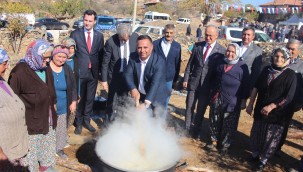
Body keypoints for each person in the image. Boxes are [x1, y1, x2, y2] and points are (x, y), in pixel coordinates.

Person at [9, 40, 57, 172]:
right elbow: (12, 100)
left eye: (49, 57)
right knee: (30, 160)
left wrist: (53, 104)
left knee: (46, 156)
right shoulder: (19, 72)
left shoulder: (46, 68)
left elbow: (50, 89)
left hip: (48, 121)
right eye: (45, 57)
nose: (48, 61)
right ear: (36, 55)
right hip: (30, 125)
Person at [246, 47, 296, 171]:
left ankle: (263, 160)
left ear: (286, 58)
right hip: (260, 109)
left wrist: (272, 106)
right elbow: (256, 87)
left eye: (282, 57)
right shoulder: (266, 70)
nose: (278, 59)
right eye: (276, 56)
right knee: (256, 133)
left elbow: (288, 97)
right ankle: (255, 154)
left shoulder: (290, 75)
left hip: (277, 113)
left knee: (270, 138)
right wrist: (251, 103)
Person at [183, 25, 225, 138]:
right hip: (194, 83)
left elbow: (220, 72)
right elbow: (189, 65)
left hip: (207, 86)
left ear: (216, 36)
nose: (208, 38)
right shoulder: (197, 46)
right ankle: (187, 129)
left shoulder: (221, 51)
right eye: (206, 35)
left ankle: (196, 131)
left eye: (211, 35)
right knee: (189, 106)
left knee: (201, 110)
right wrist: (186, 79)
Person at [207, 43, 249, 154]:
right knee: (214, 119)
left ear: (237, 53)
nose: (230, 54)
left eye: (233, 52)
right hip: (217, 97)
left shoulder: (242, 67)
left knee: (229, 123)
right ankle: (214, 141)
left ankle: (225, 145)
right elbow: (213, 79)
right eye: (228, 51)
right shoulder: (221, 63)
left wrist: (244, 100)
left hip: (232, 100)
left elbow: (246, 86)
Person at [70, 9, 104, 135]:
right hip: (80, 71)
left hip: (93, 72)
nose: (87, 23)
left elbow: (100, 55)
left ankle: (87, 121)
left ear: (94, 22)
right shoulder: (75, 34)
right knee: (80, 98)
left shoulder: (99, 36)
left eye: (90, 21)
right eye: (85, 20)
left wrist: (100, 74)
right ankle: (78, 124)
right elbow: (71, 54)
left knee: (90, 98)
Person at [101, 23, 138, 119]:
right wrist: (104, 80)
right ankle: (108, 122)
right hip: (114, 77)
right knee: (112, 101)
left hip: (129, 77)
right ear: (118, 35)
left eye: (126, 39)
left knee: (126, 101)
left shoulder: (135, 38)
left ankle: (123, 121)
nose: (124, 41)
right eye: (122, 39)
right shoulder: (111, 42)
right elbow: (105, 62)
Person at [0, 48, 28, 171]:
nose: (7, 67)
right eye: (4, 64)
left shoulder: (2, 81)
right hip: (5, 153)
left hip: (16, 147)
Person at [124, 35, 168, 113]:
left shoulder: (159, 62)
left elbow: (155, 83)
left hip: (156, 97)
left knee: (155, 121)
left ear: (151, 47)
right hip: (141, 95)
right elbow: (128, 74)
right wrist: (133, 88)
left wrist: (146, 104)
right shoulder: (133, 57)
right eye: (139, 48)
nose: (142, 51)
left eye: (145, 47)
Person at [49, 45, 77, 160]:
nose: (61, 59)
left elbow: (73, 86)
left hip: (63, 105)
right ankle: (48, 150)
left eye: (64, 57)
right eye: (59, 56)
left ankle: (59, 149)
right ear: (53, 55)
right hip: (49, 106)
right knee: (49, 129)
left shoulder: (67, 69)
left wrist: (73, 101)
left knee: (61, 128)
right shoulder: (46, 68)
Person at [277, 39, 303, 152]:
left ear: (299, 51)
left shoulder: (301, 66)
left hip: (289, 103)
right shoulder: (278, 60)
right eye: (288, 48)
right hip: (274, 99)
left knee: (283, 125)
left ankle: (277, 148)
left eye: (293, 49)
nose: (290, 51)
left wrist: (299, 103)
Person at [235, 27, 263, 128]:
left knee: (235, 112)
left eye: (248, 35)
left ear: (253, 36)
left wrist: (247, 95)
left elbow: (255, 72)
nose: (246, 37)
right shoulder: (235, 45)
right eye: (244, 34)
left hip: (244, 85)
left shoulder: (257, 51)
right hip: (230, 82)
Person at [153, 24, 181, 110]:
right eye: (167, 32)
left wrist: (175, 79)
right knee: (154, 99)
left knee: (165, 101)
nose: (169, 35)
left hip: (169, 78)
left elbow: (177, 63)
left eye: (171, 33)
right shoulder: (155, 44)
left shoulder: (177, 46)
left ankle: (161, 120)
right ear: (164, 33)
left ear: (174, 34)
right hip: (156, 77)